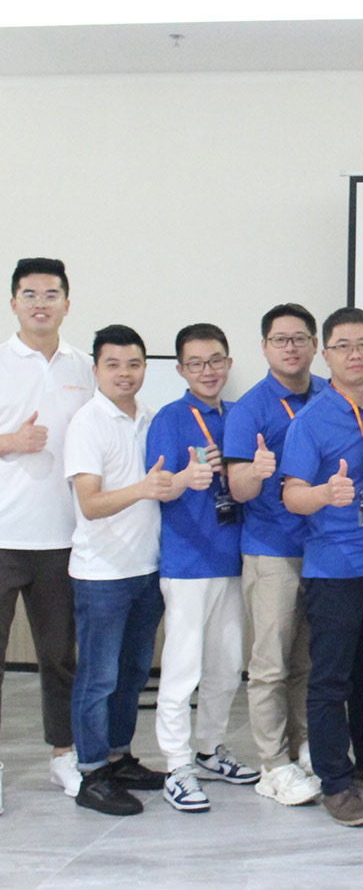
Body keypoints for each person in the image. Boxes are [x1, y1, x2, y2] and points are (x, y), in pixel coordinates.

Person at [281, 307, 363, 827]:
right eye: (344, 346)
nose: (355, 355)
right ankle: (335, 780)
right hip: (336, 567)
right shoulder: (311, 419)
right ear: (325, 355)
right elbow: (291, 495)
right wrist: (324, 494)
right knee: (331, 679)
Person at [147, 323, 260, 812]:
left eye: (215, 360)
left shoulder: (238, 416)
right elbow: (156, 487)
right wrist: (185, 478)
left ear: (229, 363)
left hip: (232, 558)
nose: (207, 371)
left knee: (226, 665)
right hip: (187, 562)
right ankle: (176, 765)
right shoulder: (170, 419)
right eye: (195, 363)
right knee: (182, 670)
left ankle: (209, 748)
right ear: (180, 370)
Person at [63, 325, 171, 816]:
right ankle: (91, 773)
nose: (125, 374)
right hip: (102, 573)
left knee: (132, 674)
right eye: (113, 364)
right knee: (98, 678)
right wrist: (144, 488)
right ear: (96, 369)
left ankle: (119, 757)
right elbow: (90, 503)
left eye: (134, 364)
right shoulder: (88, 422)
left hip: (146, 567)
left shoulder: (149, 416)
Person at [225, 303, 326, 806]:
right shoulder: (250, 408)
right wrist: (256, 471)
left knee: (306, 661)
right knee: (269, 665)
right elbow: (237, 488)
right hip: (272, 553)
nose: (291, 347)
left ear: (314, 345)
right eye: (280, 339)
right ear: (265, 347)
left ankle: (302, 746)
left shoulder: (329, 395)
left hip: (322, 549)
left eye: (300, 338)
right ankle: (272, 764)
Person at [0, 257, 92, 798]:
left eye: (51, 294)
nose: (41, 303)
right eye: (30, 294)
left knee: (59, 658)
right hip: (3, 538)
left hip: (63, 539)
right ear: (14, 303)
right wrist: (9, 442)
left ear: (66, 303)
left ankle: (64, 754)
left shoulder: (84, 367)